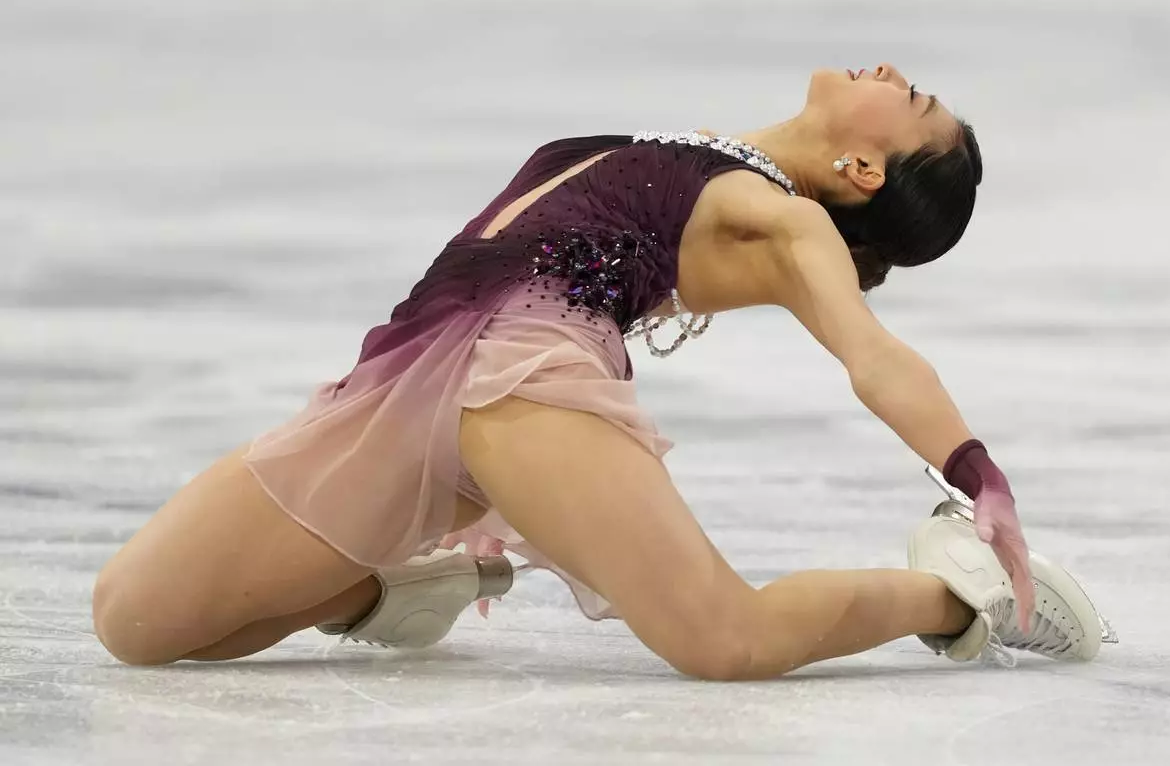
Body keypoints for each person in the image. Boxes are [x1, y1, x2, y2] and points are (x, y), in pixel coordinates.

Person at [91, 64, 1114, 678]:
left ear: (863, 172)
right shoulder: (703, 151)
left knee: (727, 638)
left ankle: (948, 595)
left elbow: (871, 351)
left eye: (915, 96)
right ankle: (406, 581)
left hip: (527, 373)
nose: (893, 71)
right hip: (406, 366)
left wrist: (975, 471)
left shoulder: (785, 218)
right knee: (140, 622)